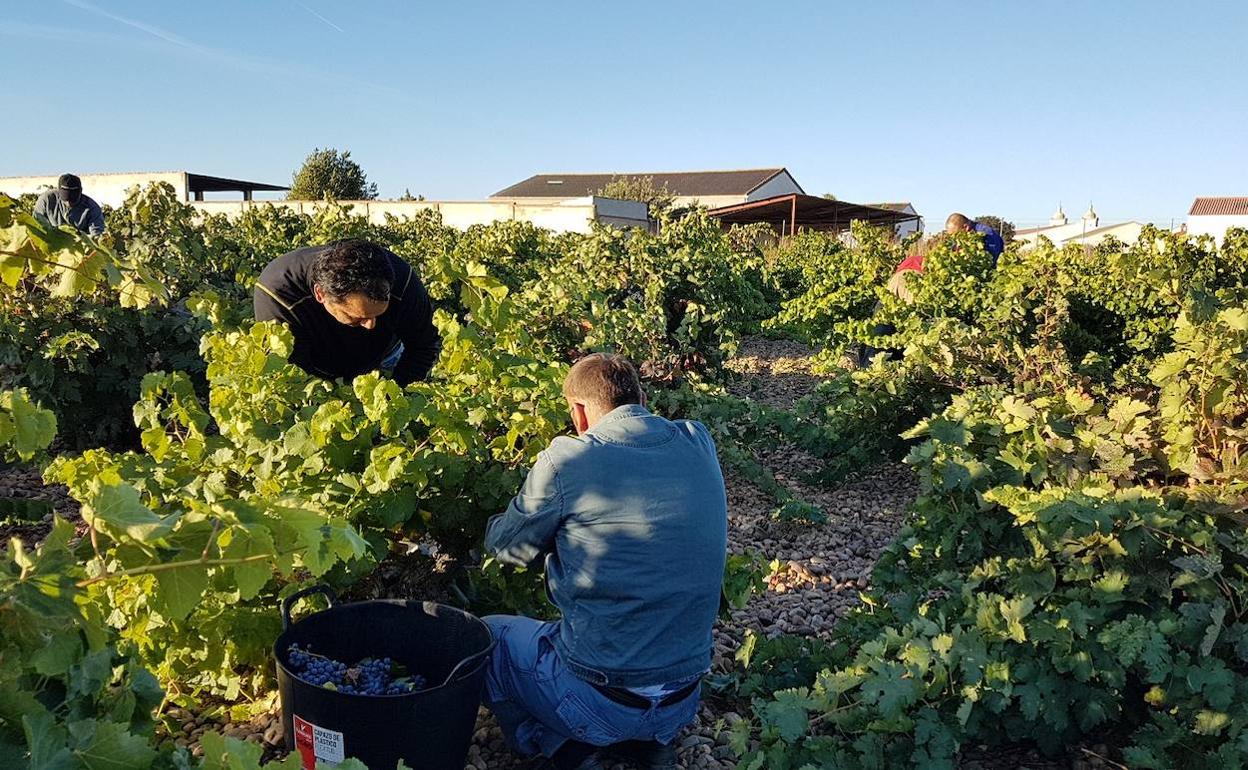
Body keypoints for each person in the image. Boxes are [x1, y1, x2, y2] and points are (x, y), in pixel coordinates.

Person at [482, 353, 728, 770]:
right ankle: (652, 741)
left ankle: (558, 748)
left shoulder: (567, 460)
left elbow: (508, 549)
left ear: (578, 412)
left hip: (600, 699)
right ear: (643, 398)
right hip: (683, 698)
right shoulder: (697, 440)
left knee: (489, 638)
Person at [253, 239, 440, 385]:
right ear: (321, 294)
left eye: (378, 314)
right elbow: (291, 374)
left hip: (387, 356)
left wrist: (396, 396)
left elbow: (423, 345)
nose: (371, 325)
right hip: (321, 374)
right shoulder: (277, 293)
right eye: (358, 317)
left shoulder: (404, 280)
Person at [33, 173, 105, 236]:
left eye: (73, 199)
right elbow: (36, 226)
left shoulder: (92, 208)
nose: (69, 203)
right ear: (59, 191)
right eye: (65, 199)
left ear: (80, 192)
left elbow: (96, 237)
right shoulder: (46, 200)